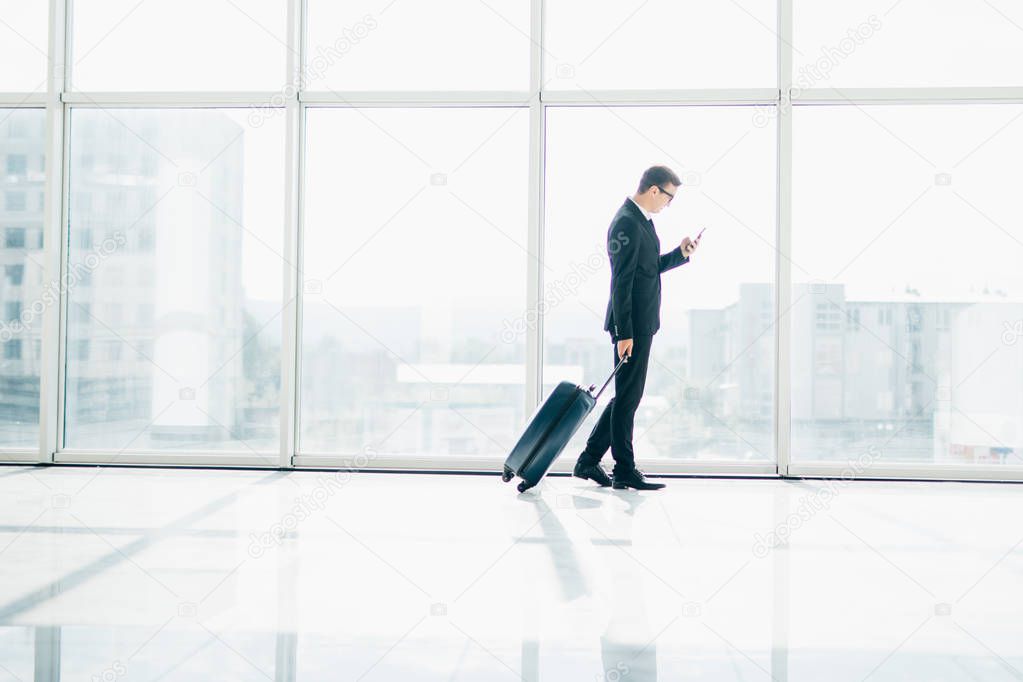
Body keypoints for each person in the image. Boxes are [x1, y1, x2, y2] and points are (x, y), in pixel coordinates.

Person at [573, 165, 701, 491]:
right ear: (654, 189)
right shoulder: (627, 223)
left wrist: (680, 254)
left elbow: (649, 269)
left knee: (625, 396)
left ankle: (588, 461)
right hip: (631, 326)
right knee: (628, 399)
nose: (668, 205)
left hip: (642, 323)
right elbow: (621, 283)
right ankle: (624, 470)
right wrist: (624, 333)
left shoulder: (642, 221)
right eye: (669, 197)